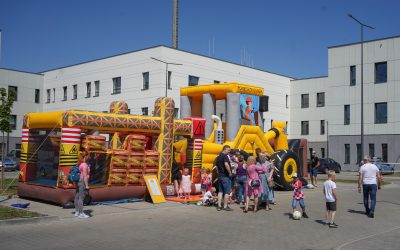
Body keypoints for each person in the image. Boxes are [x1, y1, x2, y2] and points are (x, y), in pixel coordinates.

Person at [215, 145, 233, 211]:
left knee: (220, 191)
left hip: (220, 176)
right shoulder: (225, 156)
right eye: (228, 150)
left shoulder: (218, 156)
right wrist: (230, 172)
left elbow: (216, 167)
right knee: (227, 191)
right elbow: (226, 164)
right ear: (225, 149)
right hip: (225, 176)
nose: (229, 151)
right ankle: (225, 206)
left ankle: (219, 206)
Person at [74, 151, 90, 219]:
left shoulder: (80, 164)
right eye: (88, 156)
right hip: (82, 181)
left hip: (78, 181)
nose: (89, 157)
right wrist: (86, 185)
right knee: (81, 198)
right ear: (85, 156)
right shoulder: (85, 165)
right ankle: (81, 213)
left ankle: (77, 212)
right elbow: (85, 176)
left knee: (77, 196)